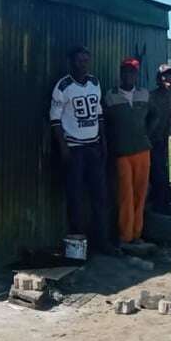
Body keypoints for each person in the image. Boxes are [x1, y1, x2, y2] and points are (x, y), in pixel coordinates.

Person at [50, 46, 116, 256]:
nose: (83, 64)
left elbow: (99, 114)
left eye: (86, 60)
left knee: (100, 195)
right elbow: (55, 120)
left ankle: (102, 241)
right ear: (71, 62)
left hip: (94, 147)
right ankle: (78, 245)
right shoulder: (63, 86)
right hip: (75, 148)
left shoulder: (94, 82)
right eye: (79, 61)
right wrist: (63, 148)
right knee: (75, 197)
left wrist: (103, 141)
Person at [103, 57, 153, 249]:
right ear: (120, 74)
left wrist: (147, 133)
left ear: (136, 75)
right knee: (125, 194)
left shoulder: (144, 94)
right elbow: (104, 123)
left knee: (141, 193)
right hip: (122, 152)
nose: (128, 75)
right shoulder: (110, 96)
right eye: (125, 72)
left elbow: (153, 116)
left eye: (132, 72)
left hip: (142, 150)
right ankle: (125, 236)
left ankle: (137, 233)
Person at [147, 64, 171, 214]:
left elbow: (169, 117)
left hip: (162, 140)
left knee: (162, 172)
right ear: (159, 79)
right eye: (165, 76)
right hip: (149, 141)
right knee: (154, 174)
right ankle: (155, 207)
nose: (169, 79)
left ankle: (162, 204)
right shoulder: (150, 97)